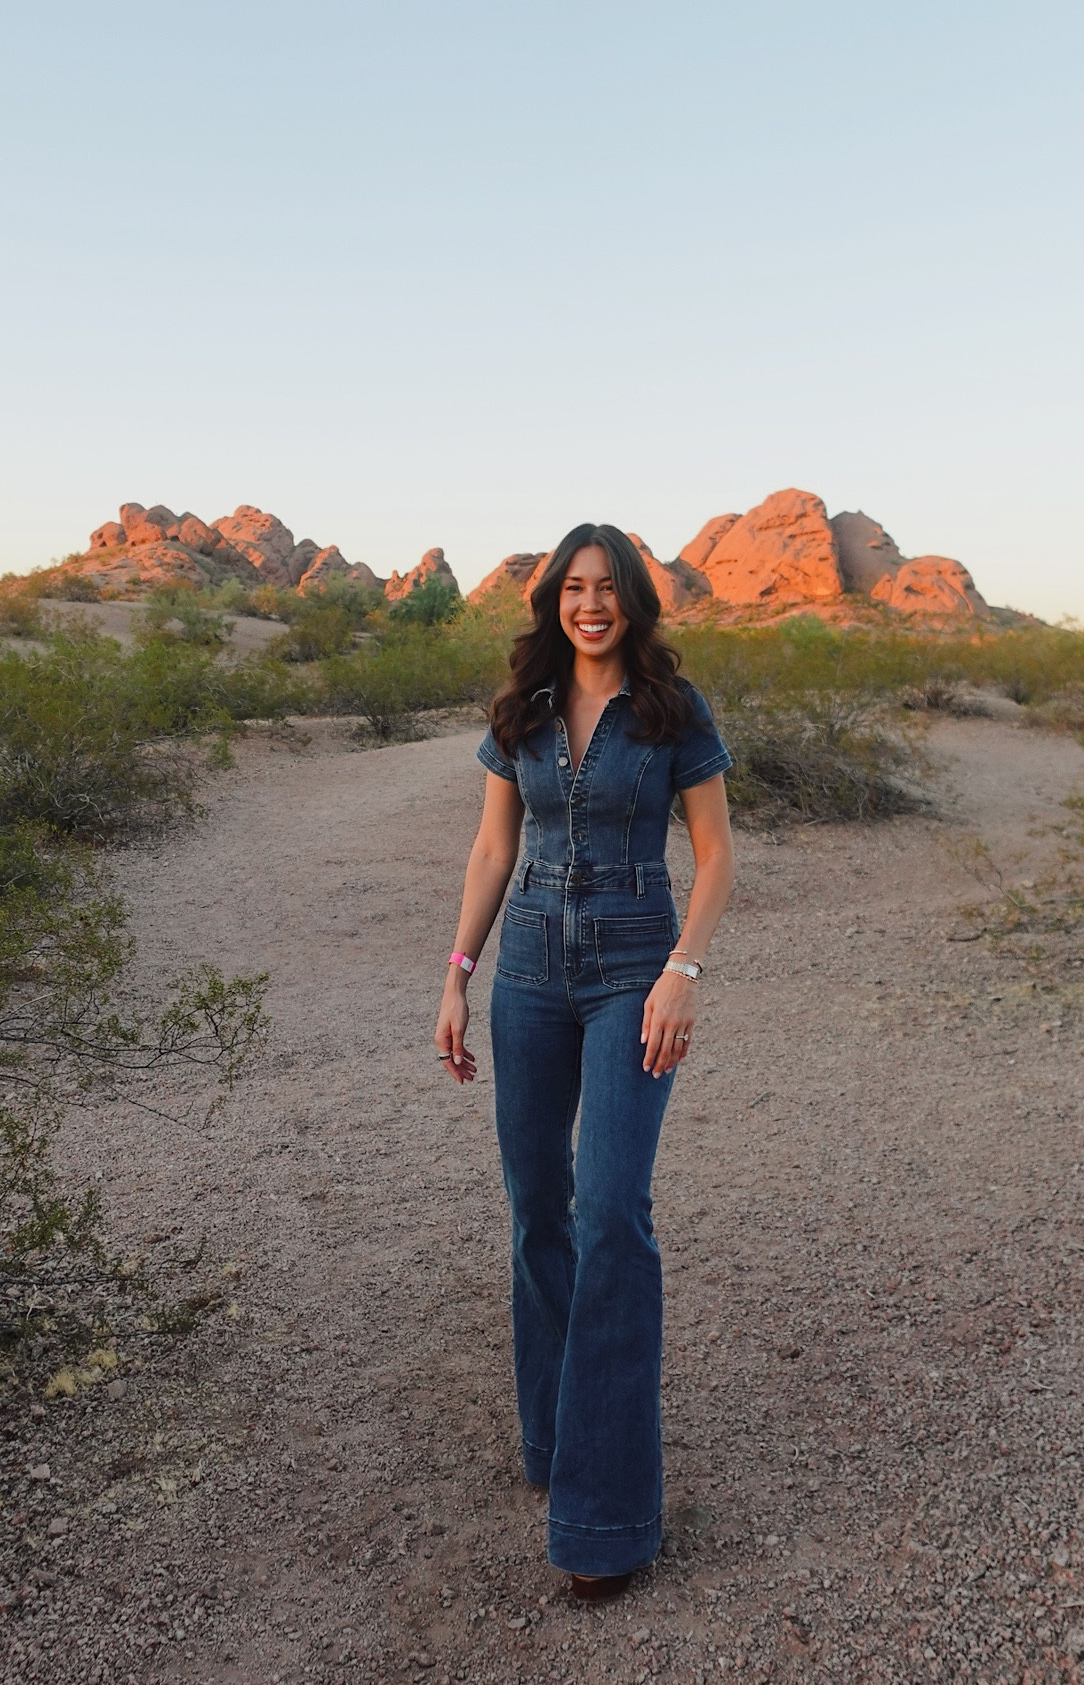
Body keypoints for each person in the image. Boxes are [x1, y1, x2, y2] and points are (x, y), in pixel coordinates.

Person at [435, 522, 736, 1600]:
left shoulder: (671, 709)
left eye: (609, 588)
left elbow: (713, 855)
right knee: (536, 1210)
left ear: (633, 602)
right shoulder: (520, 708)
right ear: (553, 598)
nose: (591, 603)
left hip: (630, 976)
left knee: (612, 1209)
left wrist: (683, 973)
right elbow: (492, 847)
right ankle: (556, 1437)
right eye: (575, 586)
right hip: (527, 981)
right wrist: (458, 972)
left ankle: (607, 1516)